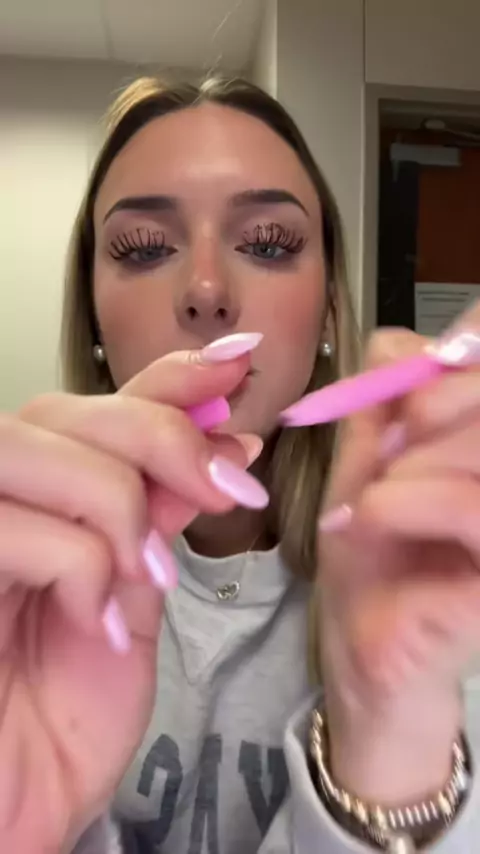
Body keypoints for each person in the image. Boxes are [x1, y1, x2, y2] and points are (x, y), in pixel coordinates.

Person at [1, 74, 480, 854]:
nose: (206, 291)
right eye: (144, 248)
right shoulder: (23, 592)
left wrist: (387, 744)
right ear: (91, 316)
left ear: (329, 311)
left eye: (268, 243)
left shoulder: (430, 586)